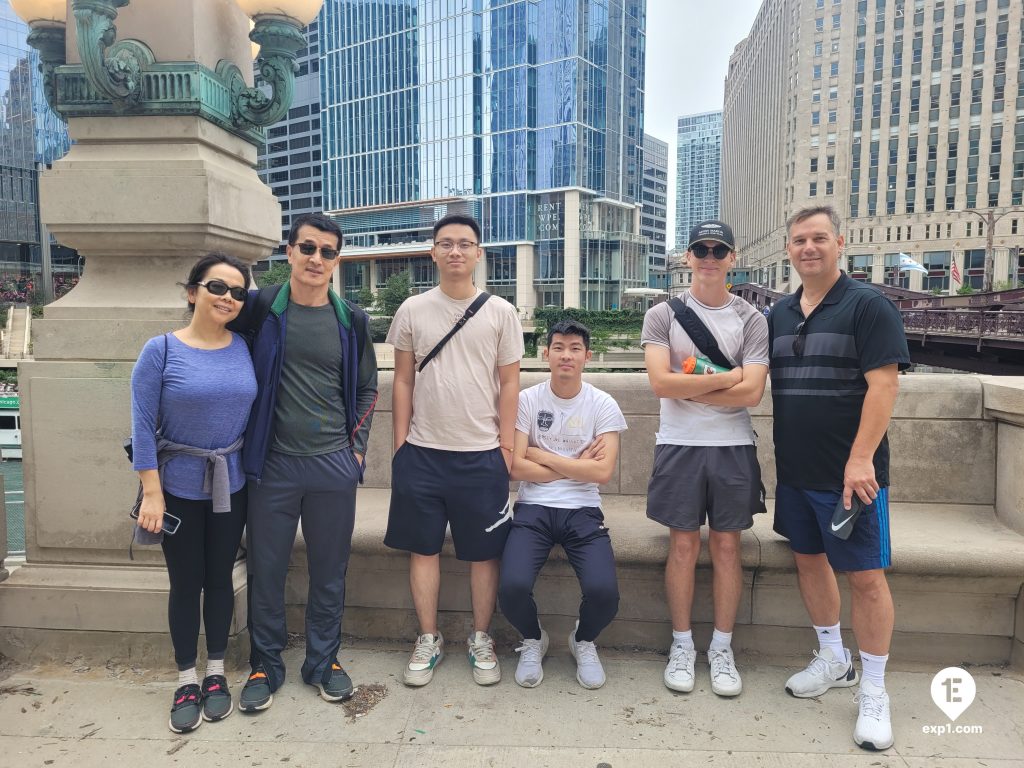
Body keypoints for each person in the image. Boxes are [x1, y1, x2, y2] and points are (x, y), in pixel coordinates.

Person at [768, 205, 909, 751]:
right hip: (796, 473)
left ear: (840, 243)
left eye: (819, 238)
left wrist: (859, 459)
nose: (809, 248)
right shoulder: (780, 313)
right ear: (789, 249)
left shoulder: (868, 306)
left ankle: (874, 689)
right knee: (808, 562)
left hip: (853, 477)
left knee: (867, 577)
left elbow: (884, 387)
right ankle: (833, 658)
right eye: (800, 239)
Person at [232, 212, 378, 713]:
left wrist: (355, 451)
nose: (317, 259)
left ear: (338, 261)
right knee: (267, 570)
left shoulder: (351, 319)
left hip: (332, 466)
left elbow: (366, 388)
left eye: (328, 252)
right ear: (289, 252)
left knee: (329, 570)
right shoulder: (259, 308)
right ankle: (265, 665)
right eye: (308, 248)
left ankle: (323, 662)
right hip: (271, 465)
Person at [384, 213, 524, 687]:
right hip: (422, 452)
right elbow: (402, 380)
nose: (456, 252)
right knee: (422, 550)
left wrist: (505, 448)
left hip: (481, 452)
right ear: (433, 252)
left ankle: (480, 637)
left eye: (465, 244)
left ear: (479, 253)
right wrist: (400, 444)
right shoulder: (412, 310)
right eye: (446, 244)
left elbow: (510, 385)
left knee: (484, 554)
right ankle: (428, 637)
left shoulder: (501, 312)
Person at [641, 220, 769, 698]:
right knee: (682, 547)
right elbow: (659, 384)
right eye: (701, 248)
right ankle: (681, 645)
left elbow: (753, 394)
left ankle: (721, 647)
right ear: (687, 257)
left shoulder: (753, 319)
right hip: (679, 444)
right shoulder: (662, 314)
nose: (710, 257)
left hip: (732, 447)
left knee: (728, 548)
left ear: (733, 258)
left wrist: (689, 386)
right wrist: (726, 380)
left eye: (719, 249)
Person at [131, 253, 257, 733]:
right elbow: (142, 426)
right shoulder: (160, 350)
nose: (227, 298)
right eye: (217, 287)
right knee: (185, 583)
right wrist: (152, 493)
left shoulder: (244, 346)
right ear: (192, 291)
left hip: (232, 483)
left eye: (237, 292)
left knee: (221, 578)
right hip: (177, 487)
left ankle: (217, 672)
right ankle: (186, 677)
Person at [499, 319, 626, 689]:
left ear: (587, 356)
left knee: (605, 593)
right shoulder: (527, 399)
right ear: (545, 354)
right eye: (558, 347)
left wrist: (543, 454)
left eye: (574, 348)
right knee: (511, 587)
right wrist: (576, 466)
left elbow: (602, 474)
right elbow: (514, 467)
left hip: (583, 510)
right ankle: (533, 639)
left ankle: (583, 640)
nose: (566, 355)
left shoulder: (603, 404)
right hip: (533, 508)